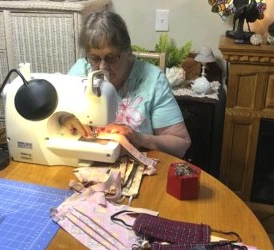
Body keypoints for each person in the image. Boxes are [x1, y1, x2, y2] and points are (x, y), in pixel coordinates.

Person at [66, 10, 191, 159]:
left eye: (111, 58)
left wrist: (141, 138)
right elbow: (56, 116)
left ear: (127, 51)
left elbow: (181, 144)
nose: (102, 67)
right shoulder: (80, 70)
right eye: (94, 58)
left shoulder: (152, 80)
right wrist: (64, 119)